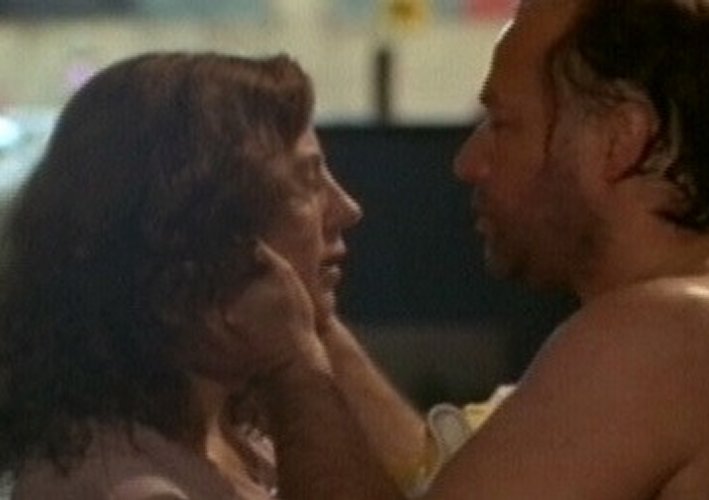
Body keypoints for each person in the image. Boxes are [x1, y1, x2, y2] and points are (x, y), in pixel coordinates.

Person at [246, 0, 709, 498]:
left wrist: (290, 368)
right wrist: (311, 325)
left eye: (503, 124)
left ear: (620, 139)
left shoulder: (661, 338)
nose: (468, 163)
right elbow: (444, 477)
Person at [0, 51, 410, 499]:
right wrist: (295, 367)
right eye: (306, 181)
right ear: (204, 228)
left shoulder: (240, 440)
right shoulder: (126, 488)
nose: (348, 209)